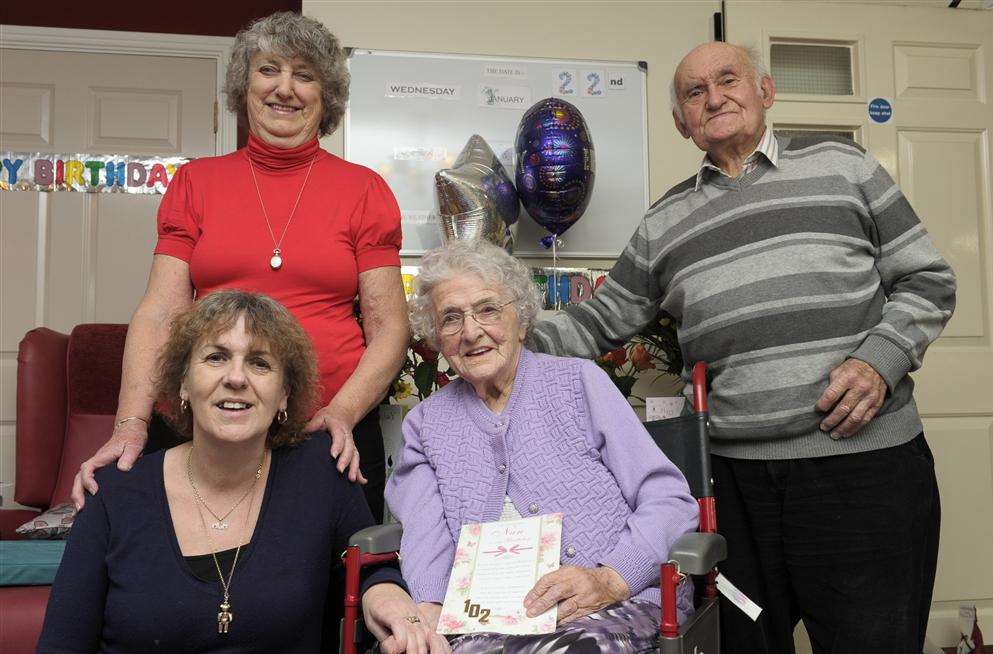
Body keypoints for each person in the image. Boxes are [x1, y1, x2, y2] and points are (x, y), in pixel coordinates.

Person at [529, 41, 956, 653]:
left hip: (866, 470)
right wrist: (505, 338)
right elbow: (601, 321)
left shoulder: (846, 166)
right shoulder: (664, 222)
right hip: (734, 487)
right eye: (694, 92)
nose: (714, 97)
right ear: (682, 123)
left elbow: (928, 279)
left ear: (765, 91)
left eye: (728, 80)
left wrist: (880, 359)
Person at [71, 11, 409, 522]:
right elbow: (161, 312)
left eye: (305, 74)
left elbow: (389, 329)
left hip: (326, 428)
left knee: (326, 589)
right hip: (204, 424)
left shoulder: (365, 190)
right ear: (243, 84)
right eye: (269, 69)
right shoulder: (195, 184)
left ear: (326, 95)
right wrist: (130, 425)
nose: (285, 88)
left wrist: (341, 412)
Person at [38, 290, 447, 653]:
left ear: (284, 393)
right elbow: (62, 642)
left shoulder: (321, 473)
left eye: (259, 363)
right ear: (183, 384)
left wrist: (390, 598)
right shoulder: (113, 493)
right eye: (216, 357)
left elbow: (370, 568)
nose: (236, 378)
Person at [385, 240, 699, 653]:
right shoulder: (426, 425)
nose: (472, 331)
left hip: (614, 606)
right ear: (437, 339)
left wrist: (609, 578)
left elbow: (669, 501)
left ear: (522, 321)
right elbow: (425, 536)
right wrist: (430, 607)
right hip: (484, 624)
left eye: (488, 309)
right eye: (451, 318)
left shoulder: (578, 383)